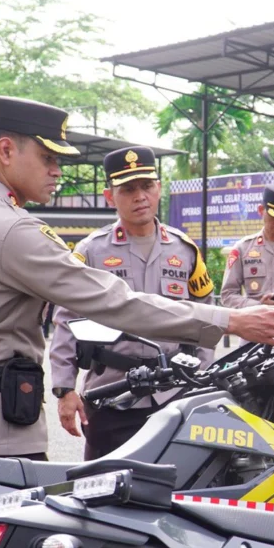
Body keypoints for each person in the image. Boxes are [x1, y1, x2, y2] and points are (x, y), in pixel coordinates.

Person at [0, 95, 274, 459]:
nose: (57, 170)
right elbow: (113, 302)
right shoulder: (14, 230)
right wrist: (232, 319)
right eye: (47, 158)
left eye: (147, 186)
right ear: (6, 151)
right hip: (0, 430)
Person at [50, 146, 218, 460]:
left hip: (174, 394)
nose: (139, 196)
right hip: (111, 394)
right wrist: (64, 388)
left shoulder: (185, 250)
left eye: (146, 186)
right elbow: (66, 322)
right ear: (109, 197)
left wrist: (203, 379)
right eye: (127, 189)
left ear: (159, 188)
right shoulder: (91, 252)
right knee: (105, 488)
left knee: (175, 488)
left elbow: (205, 314)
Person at [220, 184, 274, 307]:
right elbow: (227, 295)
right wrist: (258, 306)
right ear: (261, 210)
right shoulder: (242, 249)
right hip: (257, 323)